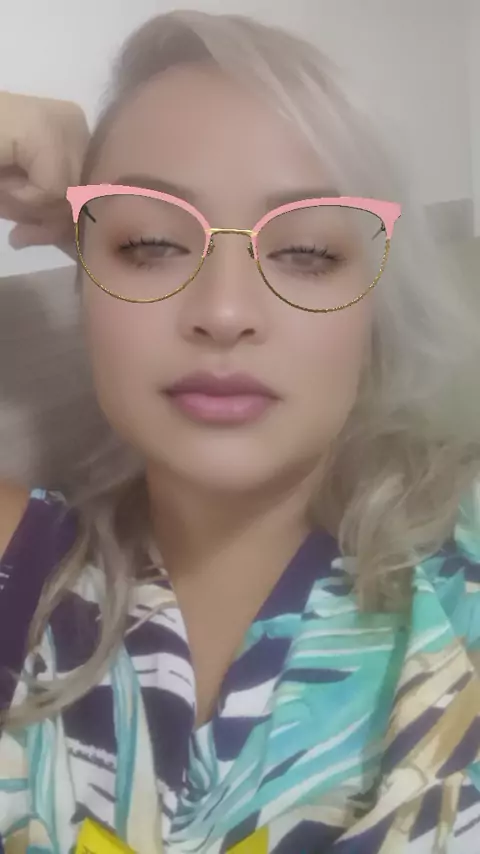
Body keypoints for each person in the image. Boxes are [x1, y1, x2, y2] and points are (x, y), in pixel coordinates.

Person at [0, 9, 479, 854]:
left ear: (373, 306)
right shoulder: (22, 567)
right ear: (85, 281)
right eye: (150, 243)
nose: (223, 312)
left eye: (307, 253)